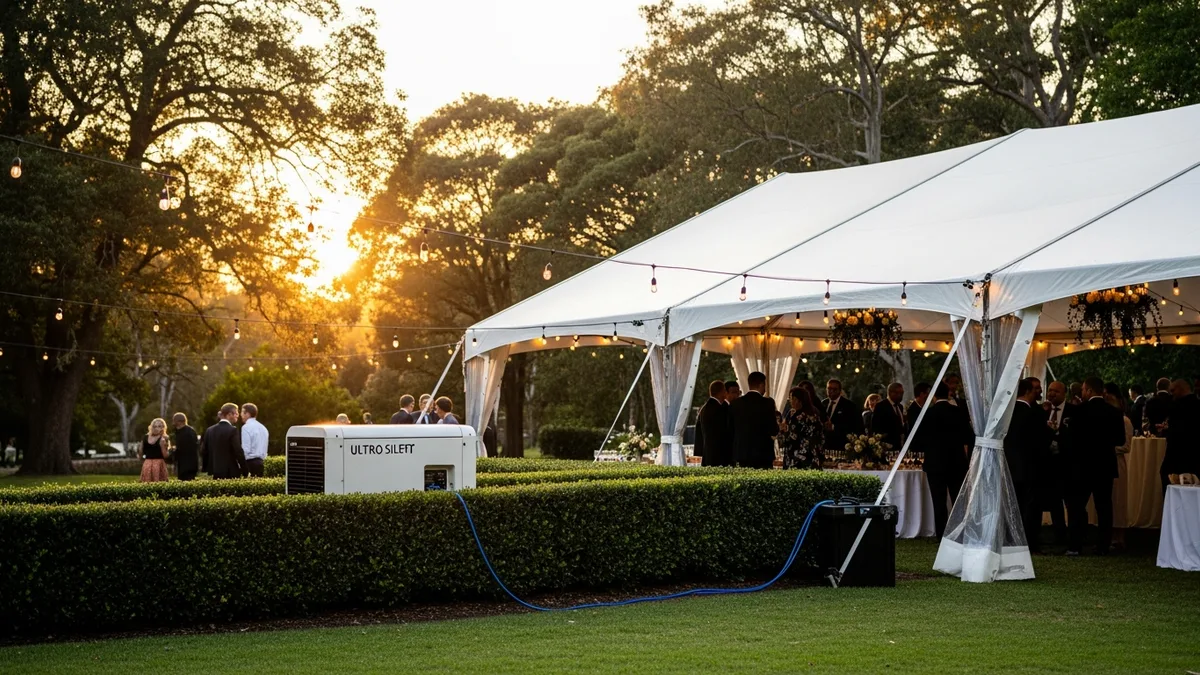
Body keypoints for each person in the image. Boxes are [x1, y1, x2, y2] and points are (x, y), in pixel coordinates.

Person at [1063, 377, 1125, 556]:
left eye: (1083, 390)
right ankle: (1103, 546)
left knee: (1077, 506)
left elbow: (1071, 439)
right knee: (1104, 506)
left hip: (1082, 466)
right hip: (1104, 465)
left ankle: (1075, 545)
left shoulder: (1078, 411)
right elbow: (1120, 440)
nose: (1082, 393)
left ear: (1089, 390)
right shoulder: (1114, 412)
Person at [923, 382, 971, 539]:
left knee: (939, 501)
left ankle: (941, 534)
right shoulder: (958, 412)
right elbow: (969, 436)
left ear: (933, 395)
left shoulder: (929, 413)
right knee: (958, 499)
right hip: (956, 462)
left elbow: (920, 440)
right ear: (948, 394)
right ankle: (959, 531)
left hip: (935, 463)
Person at [1006, 377, 1047, 553]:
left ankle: (1012, 539)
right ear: (1028, 391)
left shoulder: (1007, 412)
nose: (1039, 392)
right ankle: (1029, 541)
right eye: (1035, 389)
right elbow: (1039, 443)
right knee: (1031, 507)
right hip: (1030, 467)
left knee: (1013, 505)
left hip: (1010, 466)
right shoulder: (1032, 414)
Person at [1041, 381, 1073, 545]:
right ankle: (1059, 536)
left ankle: (1073, 536)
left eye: (1055, 391)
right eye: (1050, 390)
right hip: (1048, 465)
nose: (1051, 393)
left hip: (1067, 464)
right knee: (1054, 503)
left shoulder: (1073, 412)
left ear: (1063, 393)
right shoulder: (1042, 411)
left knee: (1071, 502)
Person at [1104, 382, 1133, 550]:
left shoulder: (1125, 420)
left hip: (1117, 462)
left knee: (1118, 499)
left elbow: (1126, 446)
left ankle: (1119, 537)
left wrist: (1106, 447)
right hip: (1106, 461)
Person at [730, 371, 777, 469]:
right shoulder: (768, 403)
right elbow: (773, 429)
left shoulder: (736, 404)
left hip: (742, 453)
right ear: (761, 384)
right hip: (763, 454)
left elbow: (730, 429)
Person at [1162, 379, 1200, 491]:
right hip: (1194, 454)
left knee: (1171, 482)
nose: (1171, 393)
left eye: (1173, 390)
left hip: (1177, 455)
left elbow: (1176, 432)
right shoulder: (1197, 404)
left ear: (1181, 389)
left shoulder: (1177, 406)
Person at [781, 386, 824, 470]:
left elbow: (815, 436)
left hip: (805, 455)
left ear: (800, 400)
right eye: (790, 398)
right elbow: (785, 428)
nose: (791, 401)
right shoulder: (791, 413)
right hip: (791, 453)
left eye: (793, 398)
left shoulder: (811, 415)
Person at [201, 403, 244, 479]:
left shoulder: (209, 430)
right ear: (230, 414)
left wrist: (206, 469)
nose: (238, 416)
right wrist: (245, 471)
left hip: (214, 471)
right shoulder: (232, 430)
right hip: (230, 472)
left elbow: (204, 451)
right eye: (236, 413)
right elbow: (238, 451)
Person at [822, 379, 863, 460]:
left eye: (834, 389)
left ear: (840, 391)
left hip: (841, 446)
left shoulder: (849, 406)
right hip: (825, 446)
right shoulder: (823, 404)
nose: (831, 391)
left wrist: (834, 427)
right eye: (829, 389)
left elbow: (854, 426)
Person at [698, 380, 732, 467]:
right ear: (720, 392)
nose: (726, 392)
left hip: (709, 453)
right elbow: (725, 431)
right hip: (718, 455)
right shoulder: (717, 409)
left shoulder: (706, 407)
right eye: (725, 390)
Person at [870, 383, 907, 454]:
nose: (900, 396)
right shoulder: (881, 406)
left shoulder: (900, 407)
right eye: (898, 393)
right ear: (890, 393)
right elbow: (875, 427)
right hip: (886, 446)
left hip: (899, 445)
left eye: (902, 393)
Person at [240, 403, 269, 478]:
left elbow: (245, 449)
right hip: (262, 463)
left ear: (247, 414)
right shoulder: (263, 428)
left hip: (250, 463)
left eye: (242, 412)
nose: (241, 415)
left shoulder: (246, 427)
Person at [906, 382, 933, 462]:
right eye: (929, 393)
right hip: (917, 448)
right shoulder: (913, 409)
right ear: (922, 394)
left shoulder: (926, 408)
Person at [139, 418, 171, 483]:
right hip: (158, 463)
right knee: (159, 484)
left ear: (163, 428)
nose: (157, 428)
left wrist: (144, 461)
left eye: (159, 426)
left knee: (146, 484)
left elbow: (140, 451)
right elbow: (165, 455)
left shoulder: (145, 437)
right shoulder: (163, 439)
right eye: (155, 426)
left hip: (147, 463)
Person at [172, 413, 200, 481]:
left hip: (186, 465)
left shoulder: (185, 433)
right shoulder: (190, 431)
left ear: (178, 422)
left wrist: (174, 451)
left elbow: (183, 448)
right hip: (189, 464)